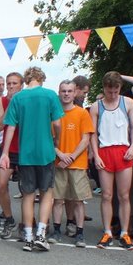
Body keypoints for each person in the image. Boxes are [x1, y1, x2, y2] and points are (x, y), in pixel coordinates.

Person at [0, 66, 64, 251]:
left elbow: (10, 127)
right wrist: (56, 139)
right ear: (41, 78)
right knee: (46, 193)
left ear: (26, 80)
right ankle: (41, 235)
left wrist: (5, 153)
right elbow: (57, 123)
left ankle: (28, 236)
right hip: (45, 152)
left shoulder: (18, 98)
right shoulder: (50, 95)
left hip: (25, 153)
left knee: (27, 195)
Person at [89, 71, 133, 251]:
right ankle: (107, 232)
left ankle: (124, 232)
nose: (112, 94)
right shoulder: (96, 106)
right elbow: (93, 133)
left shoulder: (128, 103)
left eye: (116, 91)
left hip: (123, 151)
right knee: (106, 195)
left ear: (120, 88)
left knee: (124, 195)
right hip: (105, 151)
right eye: (109, 91)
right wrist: (96, 155)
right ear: (104, 88)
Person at [53, 79, 94, 247]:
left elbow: (86, 139)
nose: (66, 94)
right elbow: (49, 138)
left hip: (78, 163)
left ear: (75, 92)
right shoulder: (54, 113)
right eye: (63, 91)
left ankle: (80, 233)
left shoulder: (82, 113)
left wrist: (70, 157)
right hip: (59, 163)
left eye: (69, 91)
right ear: (59, 93)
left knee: (78, 200)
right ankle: (56, 231)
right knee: (57, 199)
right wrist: (60, 155)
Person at [0, 72, 23, 239]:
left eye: (14, 83)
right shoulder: (4, 100)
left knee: (27, 189)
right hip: (8, 149)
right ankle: (9, 218)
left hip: (25, 149)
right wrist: (10, 104)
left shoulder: (26, 99)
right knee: (0, 184)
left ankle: (27, 223)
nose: (10, 86)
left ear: (21, 85)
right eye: (8, 83)